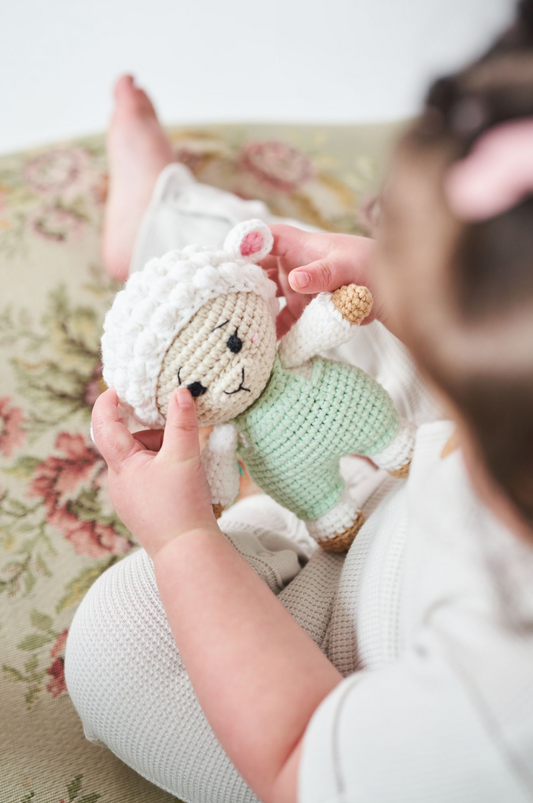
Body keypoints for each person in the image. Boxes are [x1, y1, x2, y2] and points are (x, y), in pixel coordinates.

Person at [64, 2, 533, 802]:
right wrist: (400, 285)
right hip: (411, 469)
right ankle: (158, 224)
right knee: (284, 287)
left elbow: (293, 759)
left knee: (117, 644)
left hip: (338, 667)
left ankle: (265, 514)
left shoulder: (499, 712)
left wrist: (184, 540)